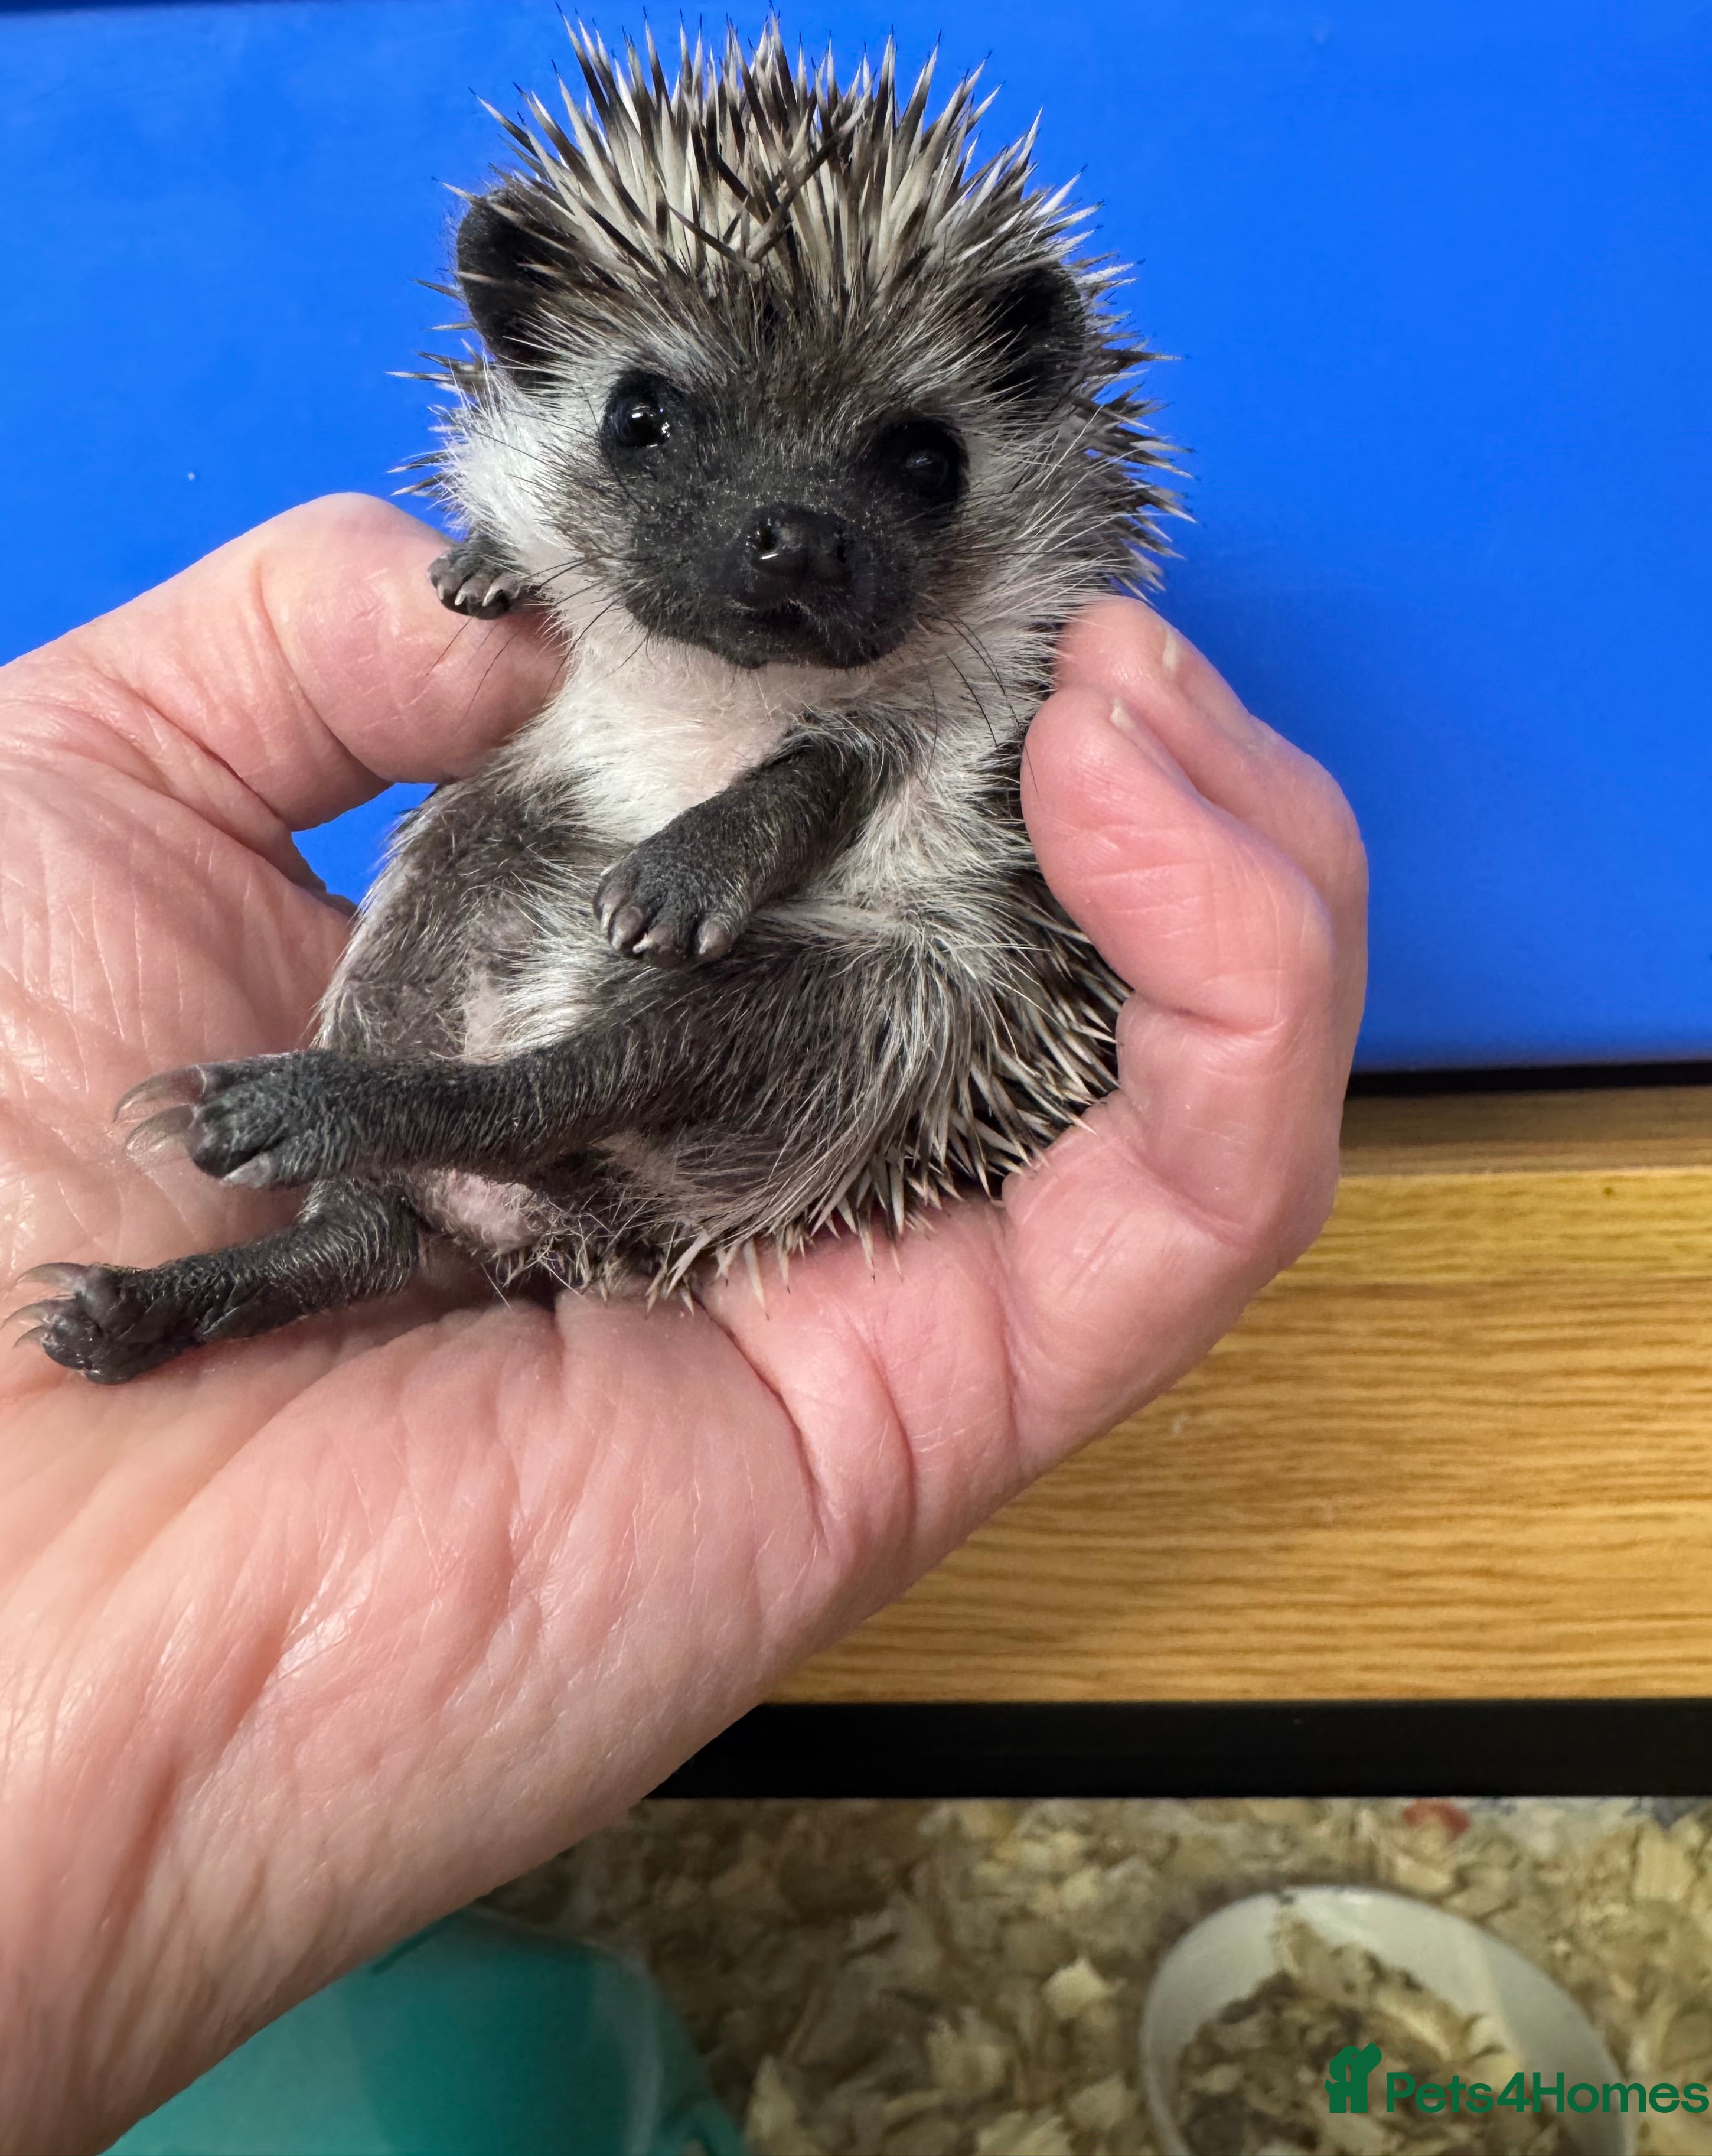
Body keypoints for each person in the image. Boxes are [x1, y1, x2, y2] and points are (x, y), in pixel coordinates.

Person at [0, 496, 1366, 2156]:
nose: (785, 529)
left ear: (1030, 439)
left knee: (811, 989)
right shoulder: (562, 567)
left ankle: (459, 1118)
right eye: (654, 434)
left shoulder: (953, 675)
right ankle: (323, 1239)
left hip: (772, 1058)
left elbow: (849, 774)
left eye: (906, 463)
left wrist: (737, 824)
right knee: (455, 849)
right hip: (537, 966)